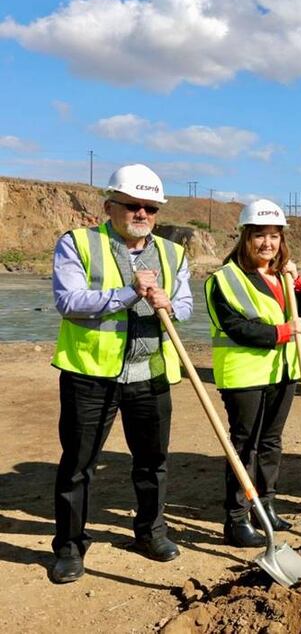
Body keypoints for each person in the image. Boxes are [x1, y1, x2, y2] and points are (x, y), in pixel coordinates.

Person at [49, 164, 192, 583]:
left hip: (150, 373)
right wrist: (129, 293)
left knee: (153, 462)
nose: (142, 213)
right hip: (91, 374)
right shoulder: (78, 243)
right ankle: (70, 547)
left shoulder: (173, 253)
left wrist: (169, 304)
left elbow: (185, 308)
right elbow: (68, 301)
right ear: (109, 206)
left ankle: (151, 533)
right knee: (78, 465)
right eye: (132, 205)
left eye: (151, 207)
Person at [205, 200, 301, 547]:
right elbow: (235, 326)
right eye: (260, 235)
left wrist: (298, 284)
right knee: (244, 445)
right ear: (245, 236)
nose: (268, 243)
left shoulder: (281, 275)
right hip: (245, 375)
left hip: (282, 371)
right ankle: (236, 519)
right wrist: (282, 332)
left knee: (270, 443)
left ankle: (265, 506)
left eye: (275, 236)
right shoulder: (224, 279)